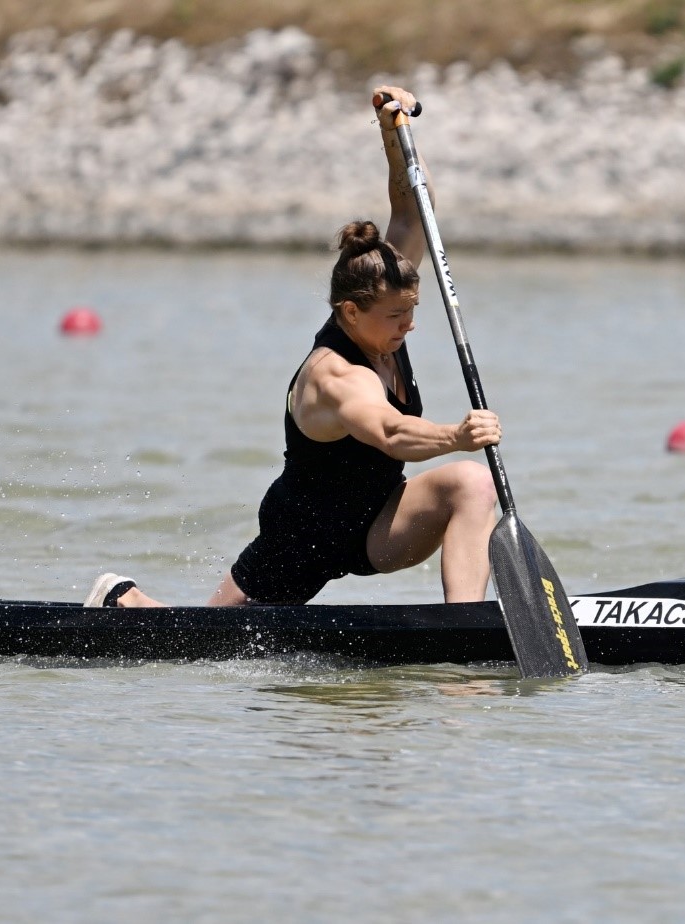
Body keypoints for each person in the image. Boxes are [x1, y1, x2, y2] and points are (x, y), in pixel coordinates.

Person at [85, 86, 501, 609]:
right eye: (397, 316)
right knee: (204, 643)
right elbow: (390, 433)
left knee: (471, 484)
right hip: (304, 535)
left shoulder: (383, 293)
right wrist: (456, 434)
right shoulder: (335, 376)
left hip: (376, 519)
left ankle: (463, 628)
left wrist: (393, 133)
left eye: (413, 311)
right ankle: (125, 601)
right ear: (350, 312)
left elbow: (414, 214)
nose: (409, 326)